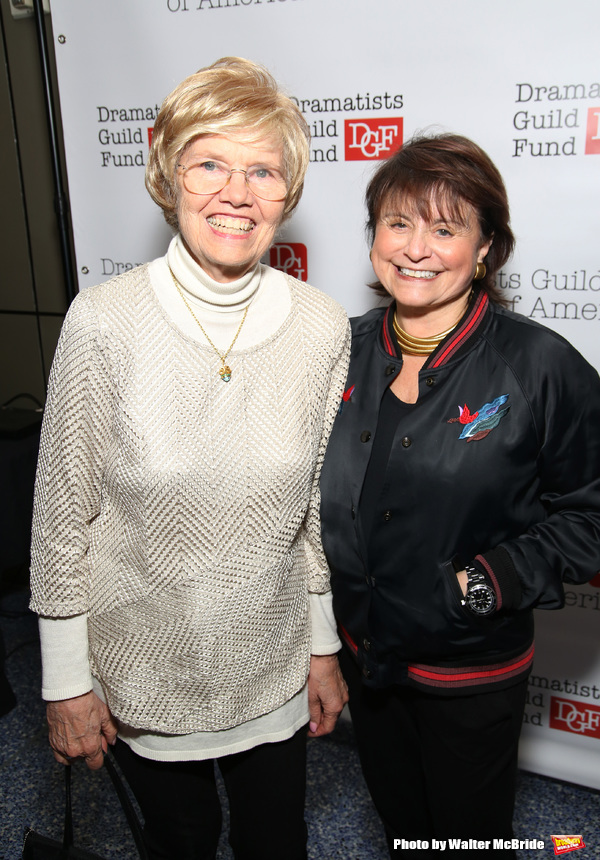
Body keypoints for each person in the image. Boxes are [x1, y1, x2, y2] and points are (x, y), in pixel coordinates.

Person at [30, 56, 350, 860]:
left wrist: (323, 647)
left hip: (271, 664)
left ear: (288, 192)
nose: (236, 193)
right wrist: (67, 682)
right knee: (181, 839)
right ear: (168, 176)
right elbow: (61, 515)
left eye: (263, 171)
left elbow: (311, 509)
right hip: (142, 668)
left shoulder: (322, 327)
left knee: (278, 839)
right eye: (209, 163)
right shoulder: (103, 321)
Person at [319, 133, 600, 858]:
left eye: (446, 228)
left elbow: (592, 512)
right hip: (367, 658)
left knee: (467, 843)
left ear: (485, 249)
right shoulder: (333, 352)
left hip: (471, 670)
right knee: (404, 831)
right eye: (399, 223)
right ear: (374, 236)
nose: (416, 248)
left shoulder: (539, 365)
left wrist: (486, 582)